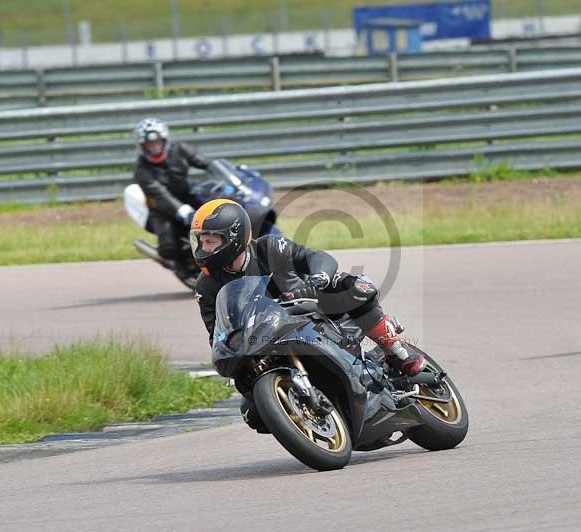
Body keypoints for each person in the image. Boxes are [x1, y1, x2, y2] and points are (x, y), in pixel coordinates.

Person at [191, 198, 426, 376]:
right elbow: (216, 334)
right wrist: (228, 348)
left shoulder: (269, 247)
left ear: (234, 237)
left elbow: (314, 256)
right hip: (265, 339)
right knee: (252, 412)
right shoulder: (206, 285)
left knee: (351, 286)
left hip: (308, 314)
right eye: (201, 241)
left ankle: (397, 352)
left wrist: (320, 276)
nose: (204, 249)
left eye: (210, 242)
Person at [132, 117, 211, 281]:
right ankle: (187, 270)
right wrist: (183, 210)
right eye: (149, 145)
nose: (154, 147)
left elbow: (205, 162)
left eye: (157, 142)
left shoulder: (180, 149)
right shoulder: (142, 170)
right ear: (142, 147)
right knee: (169, 246)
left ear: (164, 140)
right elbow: (161, 194)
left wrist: (231, 173)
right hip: (161, 207)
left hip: (186, 194)